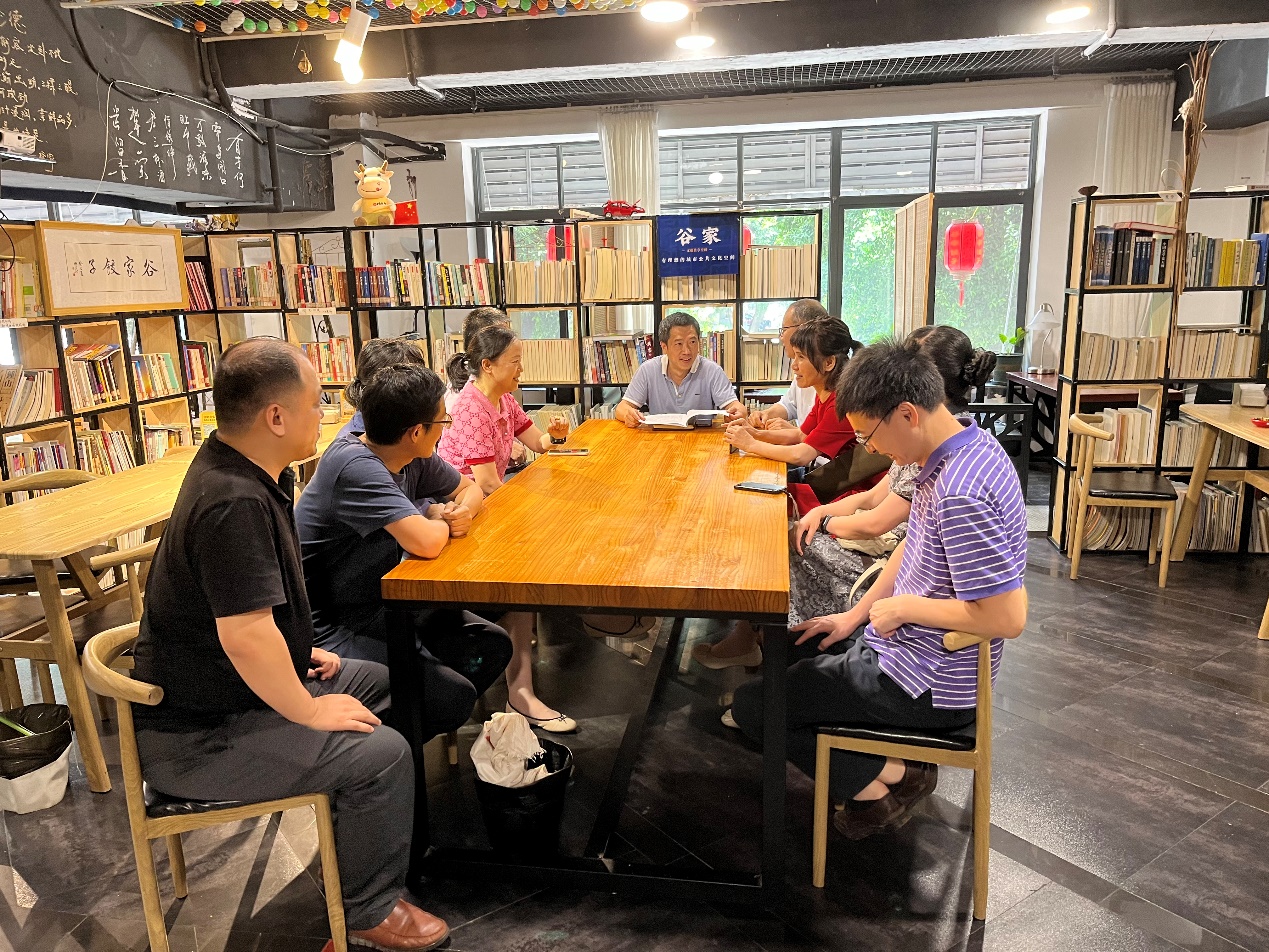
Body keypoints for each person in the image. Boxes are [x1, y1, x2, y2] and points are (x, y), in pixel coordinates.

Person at [132, 338, 448, 951]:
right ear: (275, 417)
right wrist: (307, 709)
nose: (325, 414)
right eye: (315, 403)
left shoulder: (246, 473)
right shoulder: (232, 501)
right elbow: (245, 634)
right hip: (200, 736)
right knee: (382, 753)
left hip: (240, 694)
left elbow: (243, 613)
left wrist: (299, 652)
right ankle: (366, 912)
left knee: (401, 684)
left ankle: (363, 838)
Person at [730, 338, 1027, 840]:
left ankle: (882, 782)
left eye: (869, 435)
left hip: (930, 680)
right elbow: (912, 550)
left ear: (907, 413)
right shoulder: (960, 447)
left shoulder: (960, 491)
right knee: (792, 648)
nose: (870, 450)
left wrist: (903, 608)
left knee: (755, 706)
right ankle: (893, 769)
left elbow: (1007, 618)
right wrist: (853, 617)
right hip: (908, 650)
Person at [297, 346, 513, 743]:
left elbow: (470, 490)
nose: (446, 427)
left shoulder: (410, 452)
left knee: (490, 645)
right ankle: (386, 751)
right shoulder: (355, 464)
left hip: (382, 601)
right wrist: (436, 514)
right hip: (331, 626)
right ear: (416, 430)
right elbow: (427, 543)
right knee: (450, 697)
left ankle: (412, 722)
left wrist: (458, 511)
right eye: (442, 420)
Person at [438, 324, 576, 732]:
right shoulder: (471, 407)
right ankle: (521, 691)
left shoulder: (503, 399)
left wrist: (556, 438)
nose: (521, 369)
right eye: (514, 362)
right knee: (523, 574)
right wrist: (537, 507)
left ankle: (522, 680)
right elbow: (485, 483)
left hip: (489, 509)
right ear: (487, 365)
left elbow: (536, 442)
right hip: (462, 517)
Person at [722, 317, 861, 468]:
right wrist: (753, 433)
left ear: (829, 363)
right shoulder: (824, 394)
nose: (794, 365)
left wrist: (751, 444)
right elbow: (800, 435)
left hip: (849, 481)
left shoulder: (839, 403)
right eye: (795, 356)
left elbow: (800, 455)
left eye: (801, 357)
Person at [614, 311, 747, 427]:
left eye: (692, 342)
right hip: (659, 439)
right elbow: (621, 408)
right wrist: (628, 415)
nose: (687, 351)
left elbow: (735, 406)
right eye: (679, 344)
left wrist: (738, 413)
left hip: (701, 439)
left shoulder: (712, 371)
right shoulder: (648, 370)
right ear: (664, 347)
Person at [748, 299, 830, 430]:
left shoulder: (832, 390)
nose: (781, 337)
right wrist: (765, 414)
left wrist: (794, 432)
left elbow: (816, 437)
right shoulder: (803, 370)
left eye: (784, 329)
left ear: (804, 328)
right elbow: (789, 404)